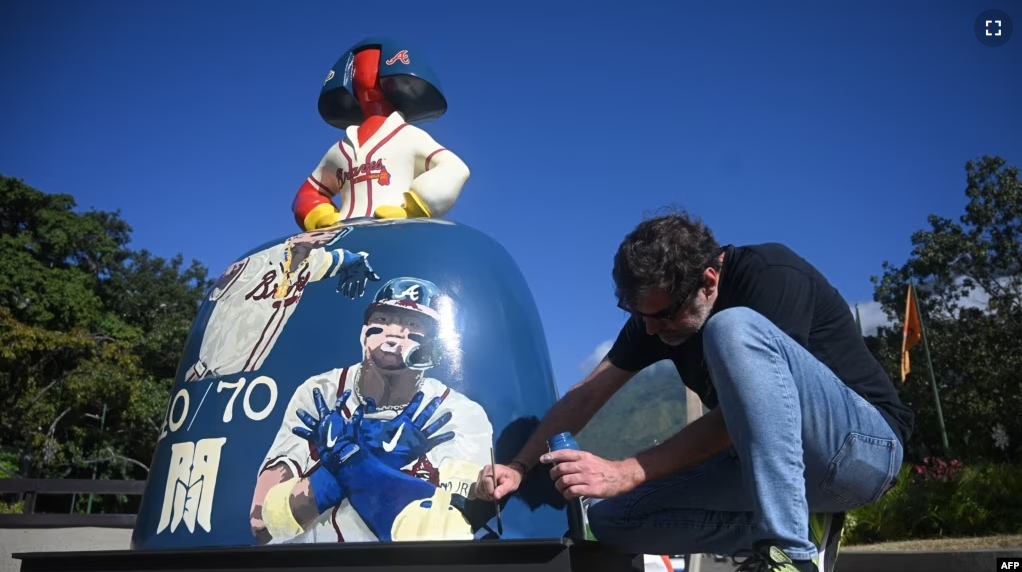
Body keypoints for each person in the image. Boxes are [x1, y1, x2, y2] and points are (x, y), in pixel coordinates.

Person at [475, 210, 914, 572]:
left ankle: (788, 554)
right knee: (613, 518)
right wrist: (519, 464)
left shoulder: (770, 275)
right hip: (770, 471)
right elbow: (588, 393)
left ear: (708, 281)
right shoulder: (656, 316)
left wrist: (626, 470)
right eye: (638, 314)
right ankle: (802, 525)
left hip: (861, 451)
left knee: (731, 328)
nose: (650, 328)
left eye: (662, 315)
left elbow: (750, 413)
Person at [250, 277, 493, 545]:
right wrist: (328, 480)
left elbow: (446, 534)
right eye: (384, 319)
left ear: (434, 348)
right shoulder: (320, 393)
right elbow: (261, 523)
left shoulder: (456, 413)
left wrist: (362, 470)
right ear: (364, 333)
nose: (394, 332)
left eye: (413, 325)